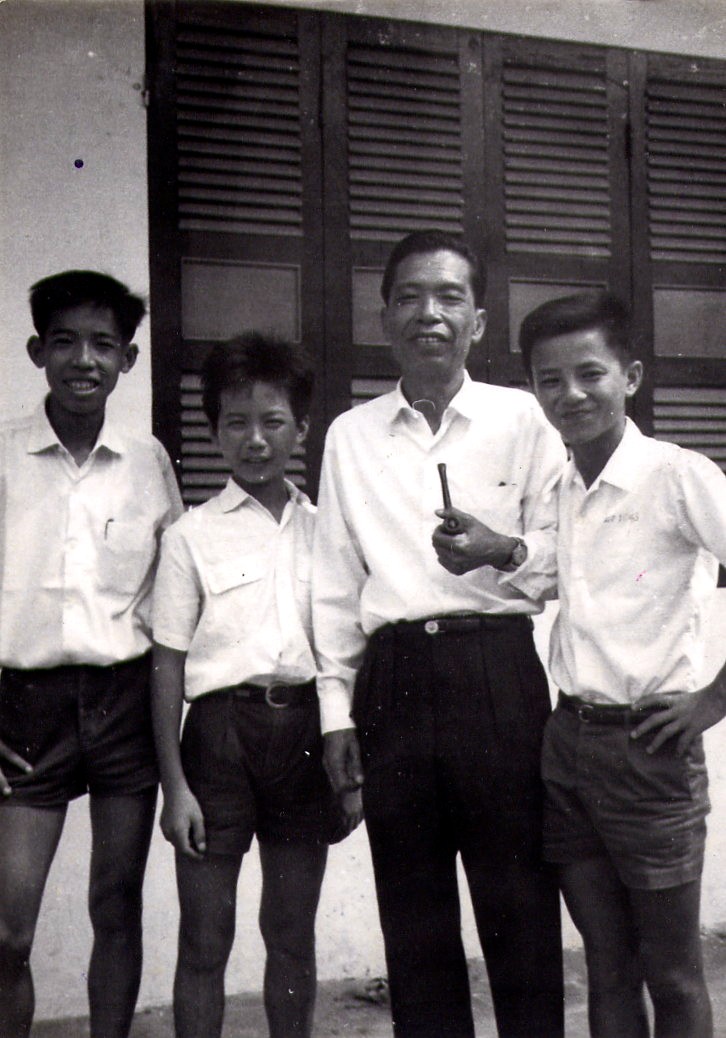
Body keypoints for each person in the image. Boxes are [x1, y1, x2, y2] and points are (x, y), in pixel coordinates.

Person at [312, 229, 566, 1038]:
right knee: (414, 924)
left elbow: (565, 555)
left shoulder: (524, 419)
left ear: (478, 322)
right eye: (410, 297)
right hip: (391, 683)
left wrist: (501, 549)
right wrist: (335, 715)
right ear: (384, 317)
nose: (430, 313)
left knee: (521, 912)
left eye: (450, 297)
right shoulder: (351, 435)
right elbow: (334, 586)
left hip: (497, 673)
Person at [520, 290, 726, 1038]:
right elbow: (548, 573)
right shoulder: (563, 485)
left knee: (672, 972)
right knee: (606, 966)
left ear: (630, 377)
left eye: (590, 374)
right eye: (550, 380)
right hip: (569, 745)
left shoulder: (677, 475)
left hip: (651, 751)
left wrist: (714, 699)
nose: (570, 394)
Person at [151, 333, 359, 1038]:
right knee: (205, 939)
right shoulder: (189, 536)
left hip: (303, 737)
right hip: (218, 743)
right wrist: (175, 787)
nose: (255, 440)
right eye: (236, 423)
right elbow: (167, 665)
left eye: (273, 422)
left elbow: (342, 650)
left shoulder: (328, 531)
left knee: (291, 934)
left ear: (302, 428)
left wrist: (347, 769)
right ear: (214, 430)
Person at [0, 270, 183, 1038]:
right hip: (23, 707)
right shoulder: (6, 456)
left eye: (103, 344)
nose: (84, 360)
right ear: (37, 350)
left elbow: (173, 592)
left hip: (122, 702)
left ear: (128, 359)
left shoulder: (148, 461)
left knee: (115, 905)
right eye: (66, 342)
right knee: (8, 928)